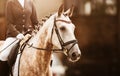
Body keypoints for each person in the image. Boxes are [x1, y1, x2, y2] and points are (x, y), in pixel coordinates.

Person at [0, 0, 38, 75]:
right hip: (14, 36)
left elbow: (35, 22)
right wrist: (17, 34)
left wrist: (35, 33)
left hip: (29, 36)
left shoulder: (30, 2)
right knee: (4, 55)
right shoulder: (10, 3)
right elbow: (9, 23)